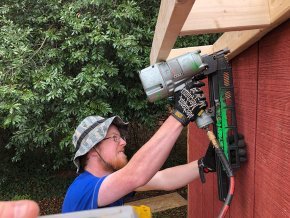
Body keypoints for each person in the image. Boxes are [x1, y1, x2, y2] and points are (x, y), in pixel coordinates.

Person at [62, 81, 215, 213]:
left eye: (121, 137)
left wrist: (204, 165)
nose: (123, 142)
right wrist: (181, 114)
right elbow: (135, 174)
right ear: (92, 150)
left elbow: (163, 179)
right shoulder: (82, 190)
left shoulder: (110, 182)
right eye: (114, 138)